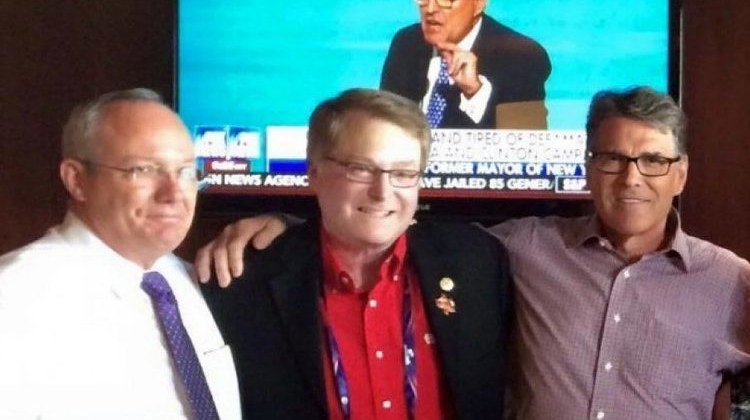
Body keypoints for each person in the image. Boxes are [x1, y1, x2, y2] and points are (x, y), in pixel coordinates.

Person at [197, 86, 750, 419]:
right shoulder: (518, 249)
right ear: (587, 167)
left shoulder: (731, 282)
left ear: (681, 174)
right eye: (612, 159)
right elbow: (366, 223)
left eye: (653, 160)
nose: (632, 178)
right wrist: (289, 225)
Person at [201, 89, 512, 419]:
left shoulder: (479, 262)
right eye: (361, 169)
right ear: (315, 173)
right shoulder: (242, 279)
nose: (382, 193)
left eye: (404, 173)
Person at [0, 89, 240, 419]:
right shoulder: (15, 299)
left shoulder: (194, 282)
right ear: (77, 180)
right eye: (143, 170)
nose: (173, 193)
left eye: (185, 171)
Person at [380, 0, 551, 129]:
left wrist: (475, 93)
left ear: (479, 1)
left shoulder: (522, 58)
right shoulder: (406, 44)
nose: (430, 8)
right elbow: (383, 128)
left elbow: (527, 148)